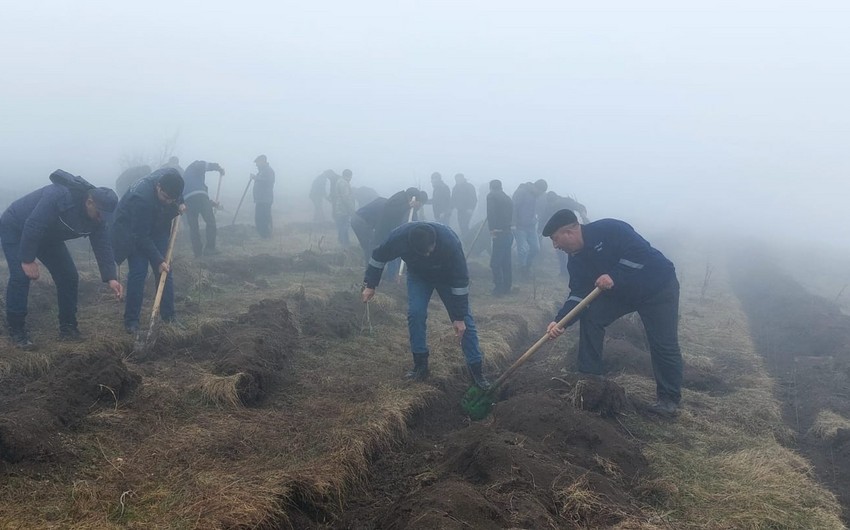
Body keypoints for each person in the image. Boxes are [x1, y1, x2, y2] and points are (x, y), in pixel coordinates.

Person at [542, 209, 682, 416]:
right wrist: (560, 321)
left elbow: (641, 254)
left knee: (663, 342)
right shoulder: (576, 260)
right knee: (591, 316)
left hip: (657, 289)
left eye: (555, 239)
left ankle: (668, 399)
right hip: (622, 294)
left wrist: (614, 275)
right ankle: (590, 379)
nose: (555, 246)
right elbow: (579, 294)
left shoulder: (610, 229)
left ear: (569, 232)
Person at [0, 170, 123, 347]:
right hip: (17, 227)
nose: (101, 219)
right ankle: (16, 330)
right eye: (100, 213)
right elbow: (34, 224)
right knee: (21, 276)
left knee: (68, 276)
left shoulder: (98, 218)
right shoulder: (59, 195)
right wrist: (27, 259)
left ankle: (68, 327)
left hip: (47, 236)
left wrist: (111, 277)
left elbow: (102, 245)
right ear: (89, 202)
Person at [361, 222, 490, 389]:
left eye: (431, 249)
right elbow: (378, 256)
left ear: (435, 241)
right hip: (419, 277)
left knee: (465, 322)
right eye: (424, 252)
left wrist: (458, 317)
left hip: (447, 278)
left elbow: (460, 281)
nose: (429, 254)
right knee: (416, 314)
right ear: (412, 246)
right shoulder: (398, 238)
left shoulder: (450, 242)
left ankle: (477, 372)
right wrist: (371, 284)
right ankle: (420, 366)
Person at [111, 168, 185, 334]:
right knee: (139, 272)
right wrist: (158, 260)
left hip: (156, 225)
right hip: (133, 231)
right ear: (158, 187)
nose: (167, 201)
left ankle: (169, 317)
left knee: (166, 272)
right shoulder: (141, 199)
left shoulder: (172, 179)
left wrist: (180, 202)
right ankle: (131, 321)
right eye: (165, 197)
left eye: (171, 199)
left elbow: (176, 195)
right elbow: (141, 236)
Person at [374, 188, 428, 278]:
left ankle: (393, 274)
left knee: (394, 252)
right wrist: (408, 205)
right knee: (392, 252)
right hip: (386, 230)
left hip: (393, 230)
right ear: (412, 198)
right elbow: (391, 212)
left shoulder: (403, 200)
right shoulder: (399, 199)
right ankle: (391, 276)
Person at [541, 191, 590, 277]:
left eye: (553, 202)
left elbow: (580, 207)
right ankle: (563, 271)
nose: (552, 205)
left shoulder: (566, 201)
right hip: (558, 235)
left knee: (574, 251)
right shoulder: (549, 206)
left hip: (571, 232)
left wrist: (583, 216)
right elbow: (544, 218)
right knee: (561, 252)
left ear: (556, 199)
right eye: (551, 203)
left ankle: (576, 272)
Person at [182, 160, 224, 257]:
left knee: (193, 227)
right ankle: (210, 248)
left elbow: (195, 195)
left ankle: (197, 252)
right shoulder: (195, 164)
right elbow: (203, 165)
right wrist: (218, 168)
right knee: (210, 222)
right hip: (199, 197)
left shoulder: (189, 177)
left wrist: (211, 203)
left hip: (187, 200)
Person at [512, 179, 547, 278]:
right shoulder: (521, 192)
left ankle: (527, 265)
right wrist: (513, 223)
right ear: (536, 187)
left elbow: (537, 209)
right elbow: (514, 207)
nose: (540, 194)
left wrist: (536, 218)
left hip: (531, 227)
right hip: (519, 226)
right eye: (540, 192)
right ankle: (522, 269)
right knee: (523, 249)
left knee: (536, 248)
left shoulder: (537, 196)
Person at [486, 179, 513, 296]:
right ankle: (507, 286)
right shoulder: (508, 198)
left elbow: (490, 212)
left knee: (495, 263)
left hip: (499, 232)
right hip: (508, 232)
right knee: (506, 262)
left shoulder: (491, 196)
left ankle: (498, 289)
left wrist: (492, 228)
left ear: (491, 187)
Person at [350, 196, 387, 263]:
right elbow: (379, 225)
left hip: (355, 219)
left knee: (367, 246)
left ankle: (369, 265)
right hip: (360, 222)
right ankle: (371, 266)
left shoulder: (383, 201)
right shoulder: (385, 206)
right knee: (371, 245)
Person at [251, 155, 275, 239]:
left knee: (264, 218)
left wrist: (256, 178)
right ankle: (262, 235)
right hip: (260, 199)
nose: (256, 165)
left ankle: (267, 235)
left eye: (258, 163)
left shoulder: (268, 171)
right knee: (259, 218)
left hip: (265, 199)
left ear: (263, 162)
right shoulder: (262, 171)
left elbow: (269, 181)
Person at [332, 169, 355, 247]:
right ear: (349, 176)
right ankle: (344, 242)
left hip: (339, 208)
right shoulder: (344, 183)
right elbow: (346, 198)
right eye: (351, 176)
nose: (351, 178)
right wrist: (352, 209)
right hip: (343, 208)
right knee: (345, 225)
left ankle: (342, 241)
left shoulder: (339, 181)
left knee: (341, 225)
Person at [451, 173, 477, 238]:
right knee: (461, 226)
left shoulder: (469, 186)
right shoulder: (455, 188)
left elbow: (474, 198)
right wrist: (452, 208)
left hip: (468, 210)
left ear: (463, 179)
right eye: (456, 180)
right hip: (460, 210)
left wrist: (471, 208)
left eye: (459, 179)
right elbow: (453, 198)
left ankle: (469, 240)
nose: (458, 181)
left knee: (465, 225)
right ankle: (466, 240)